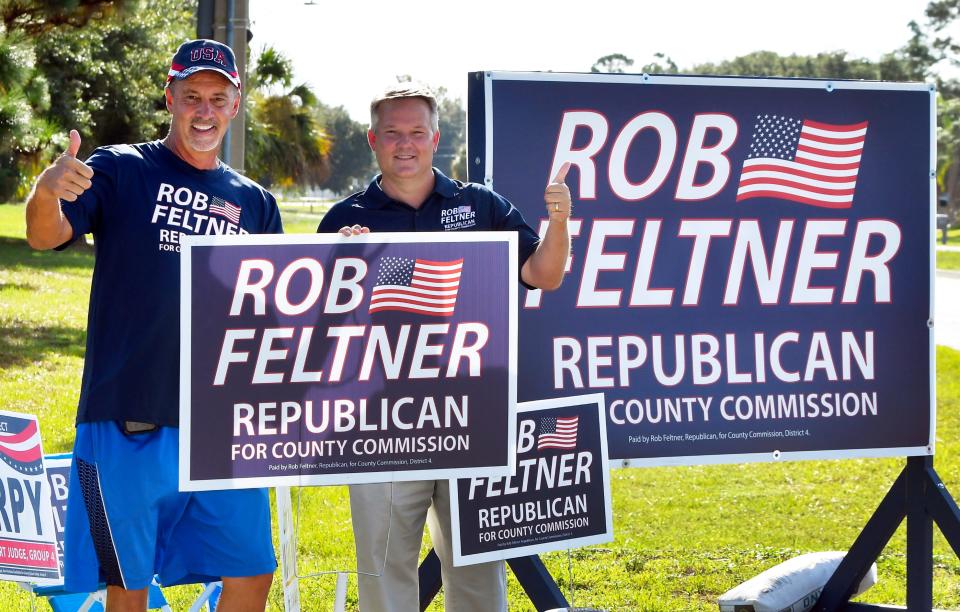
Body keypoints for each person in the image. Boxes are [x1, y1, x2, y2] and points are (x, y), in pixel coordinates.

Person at [24, 39, 279, 611]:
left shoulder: (255, 202)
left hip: (224, 427)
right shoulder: (121, 168)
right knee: (128, 584)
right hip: (129, 416)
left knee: (252, 573)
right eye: (192, 97)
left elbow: (274, 309)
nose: (205, 111)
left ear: (235, 105)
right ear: (170, 98)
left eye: (218, 97)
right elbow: (44, 235)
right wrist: (46, 191)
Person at [317, 84, 572, 612]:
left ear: (436, 138)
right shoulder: (344, 218)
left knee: (477, 571)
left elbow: (543, 275)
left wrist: (560, 221)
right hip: (379, 421)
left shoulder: (479, 205)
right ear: (372, 140)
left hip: (470, 414)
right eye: (392, 133)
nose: (404, 144)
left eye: (416, 132)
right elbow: (318, 326)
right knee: (385, 572)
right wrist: (344, 263)